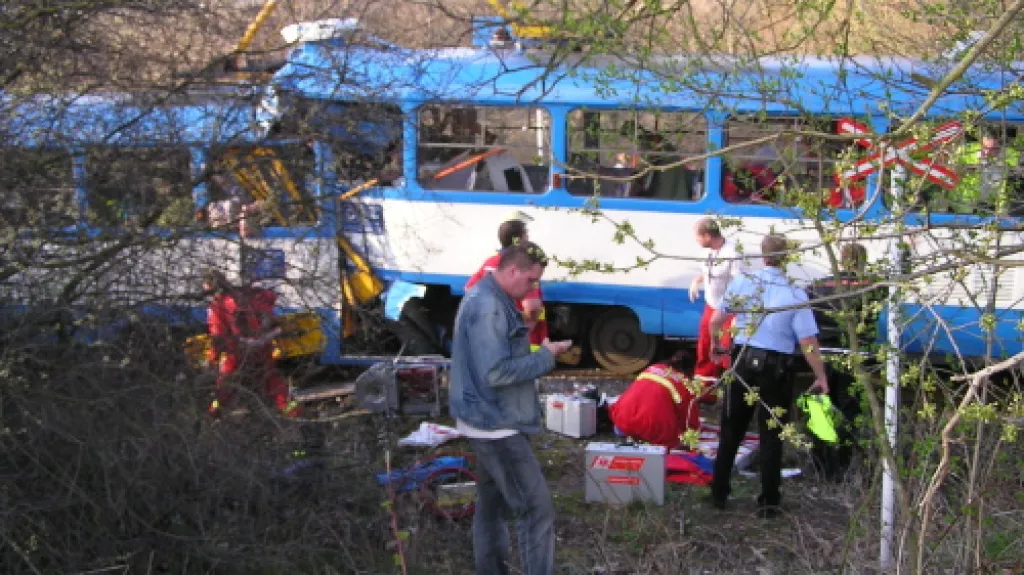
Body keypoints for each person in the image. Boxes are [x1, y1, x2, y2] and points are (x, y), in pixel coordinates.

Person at [448, 242, 572, 575]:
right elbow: (496, 372)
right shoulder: (489, 306)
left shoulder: (488, 297)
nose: (533, 289)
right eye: (531, 280)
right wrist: (546, 356)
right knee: (537, 510)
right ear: (513, 270)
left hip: (484, 419)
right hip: (495, 425)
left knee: (491, 506)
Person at [707, 234, 829, 518]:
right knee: (772, 433)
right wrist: (820, 375)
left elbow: (716, 320)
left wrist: (716, 345)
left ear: (763, 256)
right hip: (776, 368)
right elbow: (808, 340)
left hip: (742, 360)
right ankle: (769, 502)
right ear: (786, 258)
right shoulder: (795, 294)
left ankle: (719, 493)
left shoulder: (743, 283)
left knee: (731, 428)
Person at [804, 242, 884, 481]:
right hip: (855, 356)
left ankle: (821, 463)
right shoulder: (874, 288)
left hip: (825, 353)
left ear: (840, 260)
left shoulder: (818, 287)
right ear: (862, 262)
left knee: (820, 407)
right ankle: (844, 462)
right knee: (850, 410)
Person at [202, 269, 301, 419]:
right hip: (263, 347)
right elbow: (270, 302)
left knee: (224, 387)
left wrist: (212, 359)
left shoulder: (218, 306)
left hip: (237, 354)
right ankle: (295, 414)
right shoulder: (249, 295)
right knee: (273, 382)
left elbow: (218, 337)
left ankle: (212, 418)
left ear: (210, 286)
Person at [465, 210, 548, 351]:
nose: (528, 237)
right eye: (526, 233)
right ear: (520, 238)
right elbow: (532, 308)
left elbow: (469, 290)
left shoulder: (490, 263)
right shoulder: (523, 266)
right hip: (523, 350)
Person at [689, 217, 748, 380]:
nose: (696, 240)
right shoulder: (706, 252)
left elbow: (740, 282)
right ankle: (705, 387)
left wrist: (736, 315)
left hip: (728, 309)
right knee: (705, 345)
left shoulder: (733, 253)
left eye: (697, 236)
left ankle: (729, 386)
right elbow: (709, 271)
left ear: (707, 236)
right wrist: (697, 281)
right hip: (711, 305)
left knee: (726, 349)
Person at [608, 350, 703, 448]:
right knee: (674, 440)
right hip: (652, 426)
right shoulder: (685, 383)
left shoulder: (653, 368)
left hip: (622, 417)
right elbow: (689, 416)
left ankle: (627, 436)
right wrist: (693, 431)